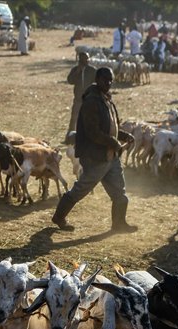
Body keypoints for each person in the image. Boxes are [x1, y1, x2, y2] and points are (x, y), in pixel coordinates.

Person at [51, 67, 137, 235]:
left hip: (110, 156)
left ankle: (119, 224)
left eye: (111, 80)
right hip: (95, 156)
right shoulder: (91, 101)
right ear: (98, 79)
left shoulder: (106, 100)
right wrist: (114, 142)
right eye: (106, 80)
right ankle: (59, 217)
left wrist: (124, 136)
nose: (109, 83)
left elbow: (111, 127)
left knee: (119, 192)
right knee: (81, 189)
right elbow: (93, 132)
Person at [66, 50, 97, 142]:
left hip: (89, 98)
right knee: (74, 117)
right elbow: (70, 80)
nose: (87, 61)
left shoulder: (92, 70)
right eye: (84, 59)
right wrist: (77, 72)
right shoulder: (75, 69)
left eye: (87, 58)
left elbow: (97, 81)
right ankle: (70, 137)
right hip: (78, 98)